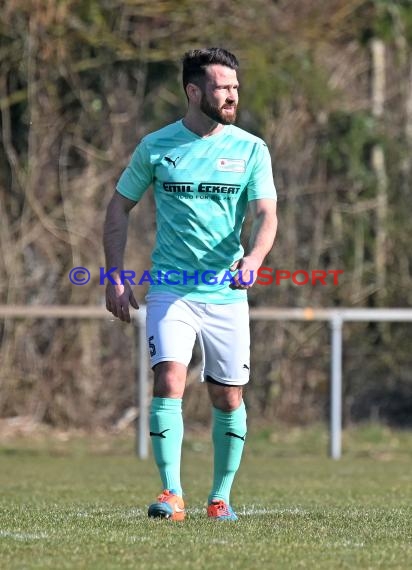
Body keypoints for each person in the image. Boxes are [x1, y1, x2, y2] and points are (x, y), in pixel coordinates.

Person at [103, 47, 277, 521]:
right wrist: (114, 275)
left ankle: (220, 498)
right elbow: (119, 207)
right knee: (169, 379)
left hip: (227, 293)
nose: (232, 96)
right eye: (223, 88)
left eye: (235, 88)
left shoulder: (250, 149)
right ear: (194, 91)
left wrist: (255, 258)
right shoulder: (157, 147)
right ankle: (171, 494)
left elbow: (266, 214)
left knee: (228, 395)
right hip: (170, 289)